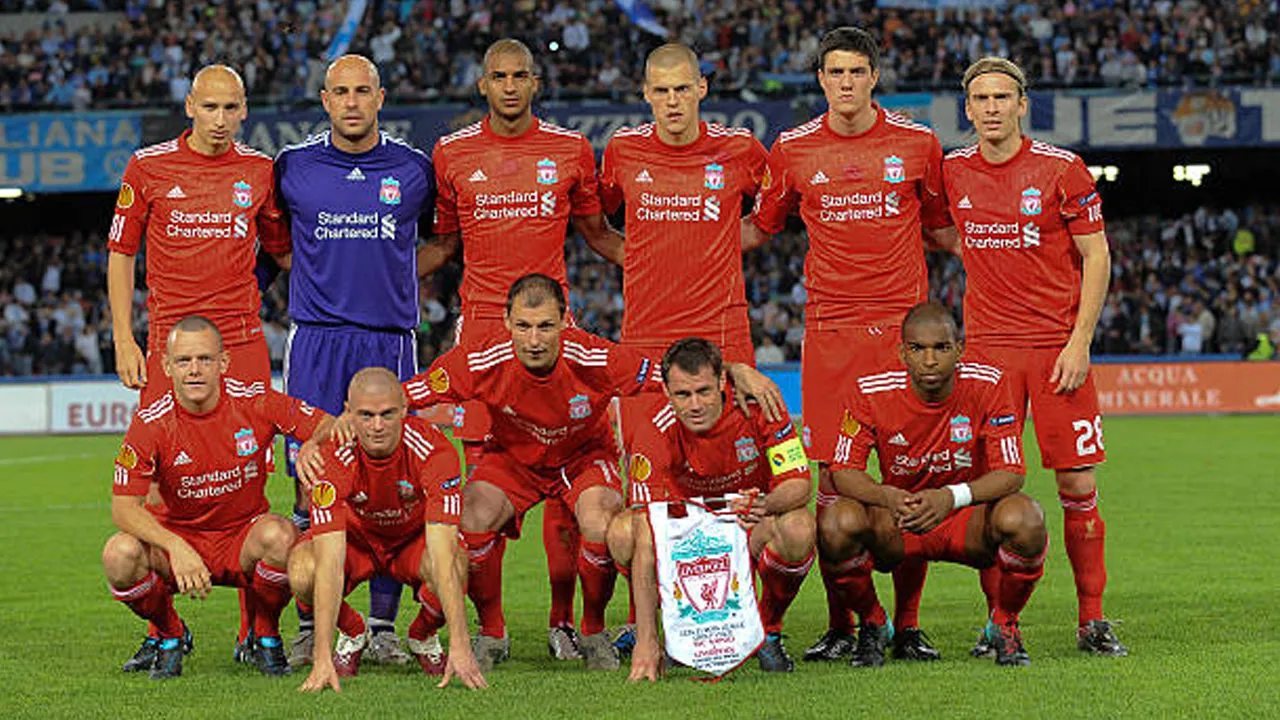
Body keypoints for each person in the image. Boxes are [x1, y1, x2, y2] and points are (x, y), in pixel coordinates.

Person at [401, 274, 779, 672]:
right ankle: (492, 633)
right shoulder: (481, 359)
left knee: (601, 523)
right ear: (507, 323)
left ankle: (593, 630)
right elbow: (410, 393)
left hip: (582, 457)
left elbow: (671, 377)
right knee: (472, 516)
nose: (534, 340)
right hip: (514, 458)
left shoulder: (596, 357)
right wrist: (351, 417)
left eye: (546, 326)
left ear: (566, 321)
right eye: (524, 327)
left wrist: (734, 369)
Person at [747, 26, 956, 664]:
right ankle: (847, 626)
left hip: (900, 335)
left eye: (856, 72)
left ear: (874, 76)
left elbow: (946, 228)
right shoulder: (792, 149)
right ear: (821, 80)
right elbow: (759, 229)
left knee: (906, 473)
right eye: (834, 72)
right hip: (831, 336)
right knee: (837, 484)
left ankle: (909, 623)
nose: (845, 83)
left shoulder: (917, 144)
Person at [419, 38, 624, 661]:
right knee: (485, 485)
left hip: (551, 334)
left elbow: (597, 234)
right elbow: (443, 247)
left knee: (569, 473)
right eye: (498, 77)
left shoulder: (568, 151)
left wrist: (676, 258)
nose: (509, 86)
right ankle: (493, 631)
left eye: (520, 76)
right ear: (482, 85)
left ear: (536, 82)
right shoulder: (451, 153)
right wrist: (363, 273)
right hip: (483, 337)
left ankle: (568, 623)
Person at [106, 63, 291, 668]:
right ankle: (168, 625)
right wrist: (123, 337)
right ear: (190, 105)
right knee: (162, 479)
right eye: (209, 107)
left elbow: (286, 251)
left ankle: (254, 629)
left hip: (240, 343)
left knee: (249, 471)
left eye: (231, 109)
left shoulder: (259, 171)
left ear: (244, 111)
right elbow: (121, 252)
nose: (220, 120)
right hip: (171, 345)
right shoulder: (150, 165)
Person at [941, 56, 1126, 656]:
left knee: (1076, 481)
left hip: (1055, 351)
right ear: (967, 110)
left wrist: (1080, 342)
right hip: (988, 356)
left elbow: (1096, 256)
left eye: (1002, 97)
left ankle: (1092, 620)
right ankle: (1001, 623)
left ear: (1023, 105)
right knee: (990, 490)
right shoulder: (953, 171)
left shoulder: (1060, 169)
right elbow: (941, 232)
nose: (991, 108)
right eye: (980, 99)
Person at [599, 43, 769, 653]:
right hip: (645, 345)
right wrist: (641, 258)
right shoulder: (621, 152)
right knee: (646, 494)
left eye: (682, 89)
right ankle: (651, 619)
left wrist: (720, 249)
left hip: (725, 341)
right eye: (660, 91)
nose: (672, 102)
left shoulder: (743, 152)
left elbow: (770, 219)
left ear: (702, 88)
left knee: (742, 486)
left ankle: (741, 618)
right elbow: (600, 223)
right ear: (646, 94)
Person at [273, 54, 435, 667]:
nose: (351, 102)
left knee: (394, 480)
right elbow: (276, 244)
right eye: (339, 92)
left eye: (362, 91)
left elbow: (442, 239)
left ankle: (382, 625)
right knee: (307, 478)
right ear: (323, 99)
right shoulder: (293, 167)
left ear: (381, 97)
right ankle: (314, 623)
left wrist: (394, 283)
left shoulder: (415, 170)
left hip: (388, 342)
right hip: (315, 341)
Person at [100, 316, 334, 679]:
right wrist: (175, 546)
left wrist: (311, 445)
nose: (194, 371)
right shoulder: (150, 422)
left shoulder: (255, 401)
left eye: (205, 360)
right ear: (166, 366)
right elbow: (123, 509)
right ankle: (170, 633)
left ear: (223, 363)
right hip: (178, 540)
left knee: (282, 536)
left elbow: (329, 426)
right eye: (184, 361)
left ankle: (265, 634)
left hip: (241, 539)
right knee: (118, 555)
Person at [821, 303, 1047, 667]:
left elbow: (1013, 471)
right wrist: (885, 496)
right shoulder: (870, 390)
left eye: (941, 348)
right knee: (836, 522)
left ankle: (1004, 624)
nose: (929, 360)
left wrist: (951, 497)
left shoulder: (988, 384)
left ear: (959, 349)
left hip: (964, 519)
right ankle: (875, 623)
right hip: (900, 518)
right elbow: (843, 469)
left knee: (1026, 518)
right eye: (917, 349)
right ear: (902, 352)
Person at [608, 338, 814, 681]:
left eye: (704, 391)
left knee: (798, 527)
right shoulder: (654, 429)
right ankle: (671, 634)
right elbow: (648, 533)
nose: (695, 405)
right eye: (682, 395)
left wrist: (765, 503)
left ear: (723, 382)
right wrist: (647, 640)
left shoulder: (760, 407)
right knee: (622, 532)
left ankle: (767, 630)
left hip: (747, 523)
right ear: (667, 391)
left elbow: (800, 484)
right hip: (685, 536)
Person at [288, 368, 486, 692]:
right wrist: (321, 655)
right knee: (302, 568)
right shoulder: (330, 457)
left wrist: (461, 645)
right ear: (348, 413)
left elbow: (443, 555)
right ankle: (353, 632)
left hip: (411, 542)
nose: (377, 426)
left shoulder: (436, 452)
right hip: (358, 543)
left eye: (387, 414)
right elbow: (329, 563)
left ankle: (423, 636)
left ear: (405, 411)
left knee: (458, 564)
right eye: (365, 415)